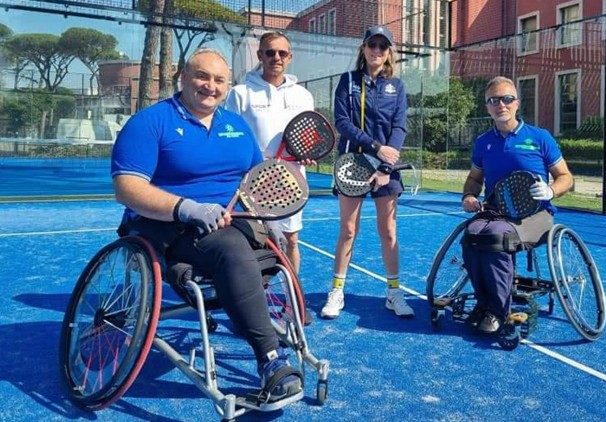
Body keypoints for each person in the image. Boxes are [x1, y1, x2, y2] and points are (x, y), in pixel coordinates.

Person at [110, 48, 303, 408]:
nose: (209, 86)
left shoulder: (235, 125)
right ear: (183, 78)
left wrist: (265, 219)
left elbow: (255, 179)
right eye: (202, 76)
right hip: (167, 227)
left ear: (227, 86)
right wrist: (187, 208)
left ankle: (246, 309)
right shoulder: (150, 123)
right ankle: (271, 359)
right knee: (231, 249)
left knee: (267, 249)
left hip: (230, 222)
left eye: (218, 80)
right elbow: (127, 188)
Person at [460, 76, 573, 338]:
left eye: (507, 99)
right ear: (487, 107)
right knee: (472, 233)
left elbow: (566, 177)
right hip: (496, 211)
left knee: (496, 235)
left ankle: (498, 311)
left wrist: (551, 190)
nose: (501, 104)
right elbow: (475, 178)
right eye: (494, 100)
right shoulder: (483, 142)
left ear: (517, 104)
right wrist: (468, 196)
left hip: (536, 215)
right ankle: (485, 302)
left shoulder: (539, 137)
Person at [321, 25, 414, 319]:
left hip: (387, 169)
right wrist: (376, 147)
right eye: (372, 44)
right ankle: (336, 291)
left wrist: (387, 166)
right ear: (363, 49)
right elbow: (343, 123)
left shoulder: (396, 87)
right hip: (352, 165)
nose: (376, 50)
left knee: (388, 232)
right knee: (348, 230)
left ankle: (394, 293)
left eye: (382, 46)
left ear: (389, 53)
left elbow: (399, 127)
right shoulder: (347, 81)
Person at [225, 31, 314, 276]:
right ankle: (259, 295)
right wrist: (254, 159)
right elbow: (231, 135)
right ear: (260, 55)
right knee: (258, 241)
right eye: (270, 52)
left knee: (291, 240)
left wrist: (306, 153)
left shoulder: (303, 96)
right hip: (254, 181)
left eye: (282, 53)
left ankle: (292, 298)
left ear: (290, 57)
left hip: (291, 180)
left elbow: (306, 136)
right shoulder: (240, 93)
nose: (276, 57)